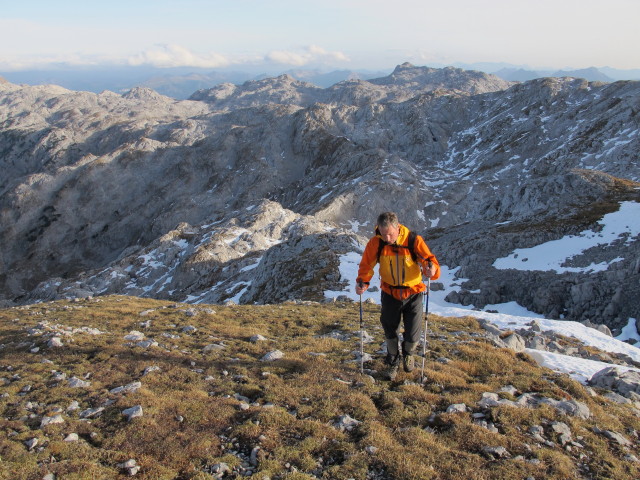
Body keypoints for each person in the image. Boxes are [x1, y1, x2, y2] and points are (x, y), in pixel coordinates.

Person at [355, 212, 440, 380]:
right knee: (390, 330)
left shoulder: (413, 240)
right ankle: (392, 359)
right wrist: (362, 282)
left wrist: (432, 269)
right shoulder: (376, 243)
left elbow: (429, 260)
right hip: (390, 292)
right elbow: (366, 264)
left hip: (413, 293)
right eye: (383, 233)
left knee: (413, 333)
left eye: (390, 234)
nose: (387, 238)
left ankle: (408, 353)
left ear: (398, 227)